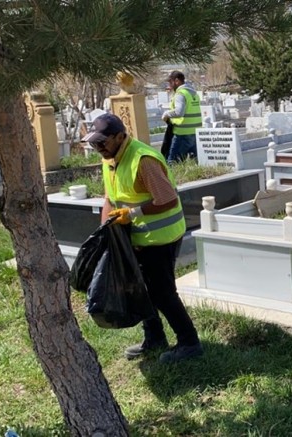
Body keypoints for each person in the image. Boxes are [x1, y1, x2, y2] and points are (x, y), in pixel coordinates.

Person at [83, 113, 203, 364]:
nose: (98, 147)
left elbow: (167, 199)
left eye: (102, 142)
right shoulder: (110, 158)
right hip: (134, 237)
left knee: (162, 292)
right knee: (140, 289)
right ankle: (154, 338)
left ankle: (189, 342)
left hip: (160, 237)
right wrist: (105, 231)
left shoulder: (143, 160)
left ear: (120, 137)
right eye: (94, 143)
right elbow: (110, 198)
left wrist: (132, 214)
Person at [162, 71, 202, 163]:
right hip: (195, 132)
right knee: (195, 162)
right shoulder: (194, 94)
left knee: (173, 163)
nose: (169, 85)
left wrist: (166, 114)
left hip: (182, 134)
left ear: (176, 81)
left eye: (170, 82)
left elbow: (179, 112)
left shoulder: (180, 94)